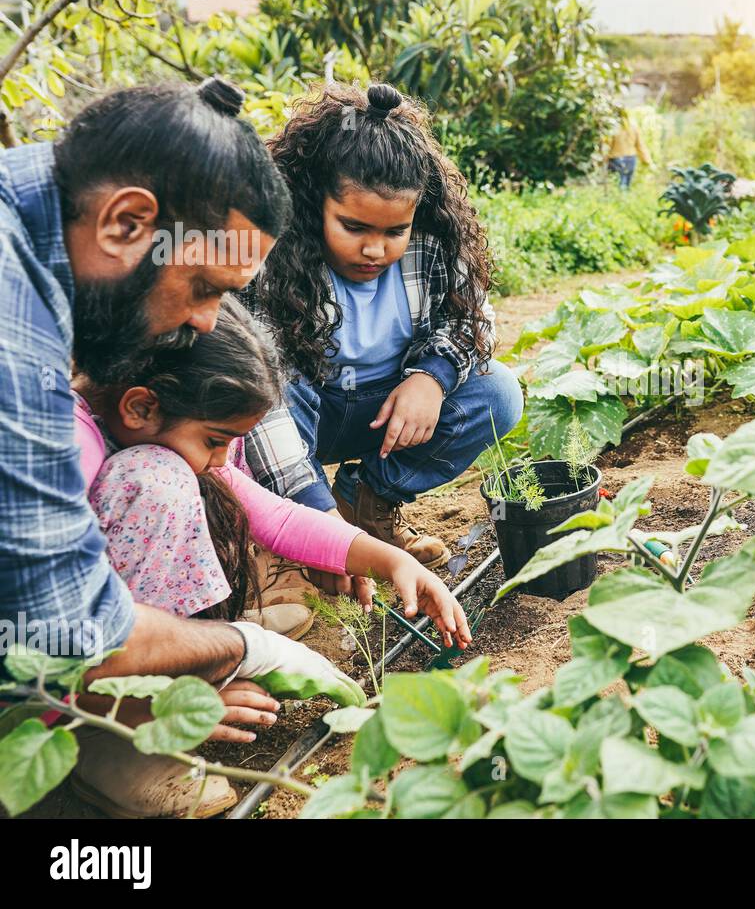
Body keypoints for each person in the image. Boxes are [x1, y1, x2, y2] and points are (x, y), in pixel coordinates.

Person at [0, 78, 444, 817]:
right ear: (127, 223)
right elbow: (73, 632)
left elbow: (253, 494)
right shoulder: (17, 351)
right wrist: (243, 648)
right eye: (204, 286)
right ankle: (105, 759)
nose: (207, 324)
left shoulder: (40, 202)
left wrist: (369, 552)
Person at [74, 297, 473, 653]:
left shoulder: (158, 434)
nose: (219, 459)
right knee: (161, 479)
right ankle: (161, 663)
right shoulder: (74, 447)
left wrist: (392, 563)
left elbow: (278, 519)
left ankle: (173, 654)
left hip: (115, 639)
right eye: (214, 440)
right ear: (141, 407)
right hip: (77, 659)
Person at [243, 83, 522, 585]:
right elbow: (260, 392)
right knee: (257, 393)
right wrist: (318, 527)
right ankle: (288, 539)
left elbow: (473, 320)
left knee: (497, 392)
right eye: (354, 228)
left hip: (386, 414)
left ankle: (367, 502)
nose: (376, 249)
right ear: (314, 205)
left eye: (395, 232)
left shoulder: (435, 242)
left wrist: (431, 379)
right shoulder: (273, 252)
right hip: (300, 418)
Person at [605, 108, 652, 190]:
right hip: (631, 159)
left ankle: (619, 201)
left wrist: (603, 158)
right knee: (626, 185)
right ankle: (625, 200)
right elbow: (640, 145)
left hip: (616, 159)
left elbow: (607, 145)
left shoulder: (613, 128)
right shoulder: (633, 127)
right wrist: (646, 160)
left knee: (617, 186)